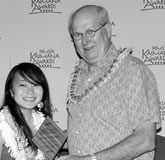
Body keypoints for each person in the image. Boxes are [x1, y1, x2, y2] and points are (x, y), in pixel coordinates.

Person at [64, 4, 161, 160]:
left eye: (90, 32)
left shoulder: (132, 70)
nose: (84, 40)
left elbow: (145, 140)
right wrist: (30, 131)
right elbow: (80, 134)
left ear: (108, 30)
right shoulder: (78, 78)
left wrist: (90, 159)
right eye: (77, 35)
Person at [0, 62, 52, 160]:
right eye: (23, 85)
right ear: (11, 91)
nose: (30, 91)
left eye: (35, 84)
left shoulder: (47, 126)